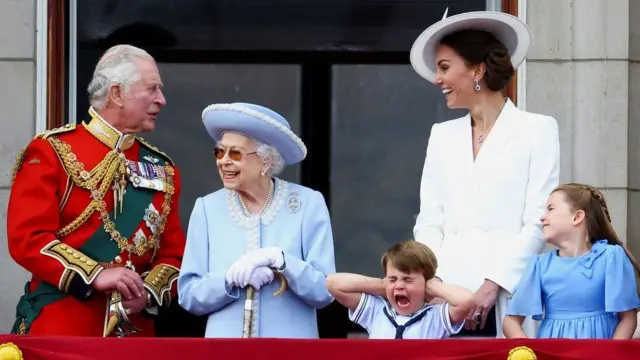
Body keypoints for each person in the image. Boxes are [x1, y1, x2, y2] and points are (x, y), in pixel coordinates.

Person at [6, 44, 186, 337]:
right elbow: (28, 239)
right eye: (152, 89)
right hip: (63, 329)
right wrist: (96, 275)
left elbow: (174, 256)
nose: (162, 100)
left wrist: (148, 294)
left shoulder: (163, 168)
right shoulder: (53, 151)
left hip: (134, 335)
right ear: (117, 94)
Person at [409, 10, 560, 338]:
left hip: (509, 295)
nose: (438, 79)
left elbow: (538, 221)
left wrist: (494, 284)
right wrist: (433, 283)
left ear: (477, 69)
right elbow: (430, 221)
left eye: (445, 68)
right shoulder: (441, 135)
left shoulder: (537, 130)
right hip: (445, 300)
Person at [177, 102, 336, 338]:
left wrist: (283, 262)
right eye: (220, 152)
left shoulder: (307, 203)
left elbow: (324, 292)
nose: (224, 161)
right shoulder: (207, 208)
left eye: (236, 153)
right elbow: (189, 295)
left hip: (291, 351)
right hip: (225, 352)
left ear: (266, 161)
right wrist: (228, 278)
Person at [503, 183, 640, 339]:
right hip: (553, 354)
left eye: (551, 208)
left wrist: (610, 354)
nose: (542, 217)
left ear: (577, 217)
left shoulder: (611, 257)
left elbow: (628, 318)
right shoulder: (540, 265)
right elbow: (510, 322)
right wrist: (529, 353)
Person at [326, 240, 474, 339]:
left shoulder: (435, 318)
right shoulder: (376, 311)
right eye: (393, 279)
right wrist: (381, 286)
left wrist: (433, 286)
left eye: (408, 280)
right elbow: (333, 283)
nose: (399, 285)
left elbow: (467, 301)